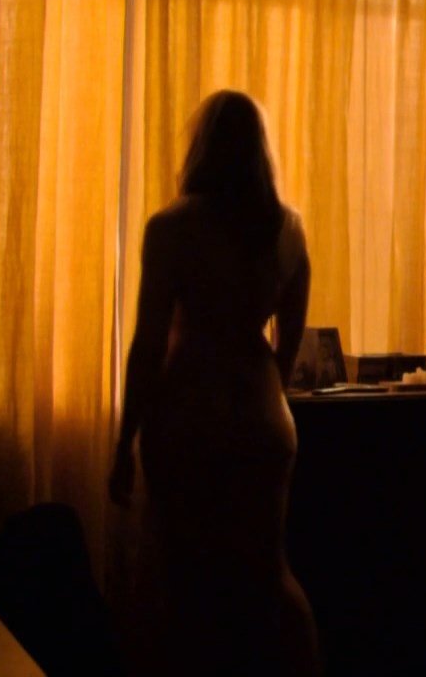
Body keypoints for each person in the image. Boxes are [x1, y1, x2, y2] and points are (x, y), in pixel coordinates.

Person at [109, 90, 319, 675]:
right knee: (266, 576)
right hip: (263, 419)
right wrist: (262, 397)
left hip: (188, 418)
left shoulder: (171, 228)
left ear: (200, 149)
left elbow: (148, 346)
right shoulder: (287, 231)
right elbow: (288, 345)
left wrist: (126, 442)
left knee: (185, 583)